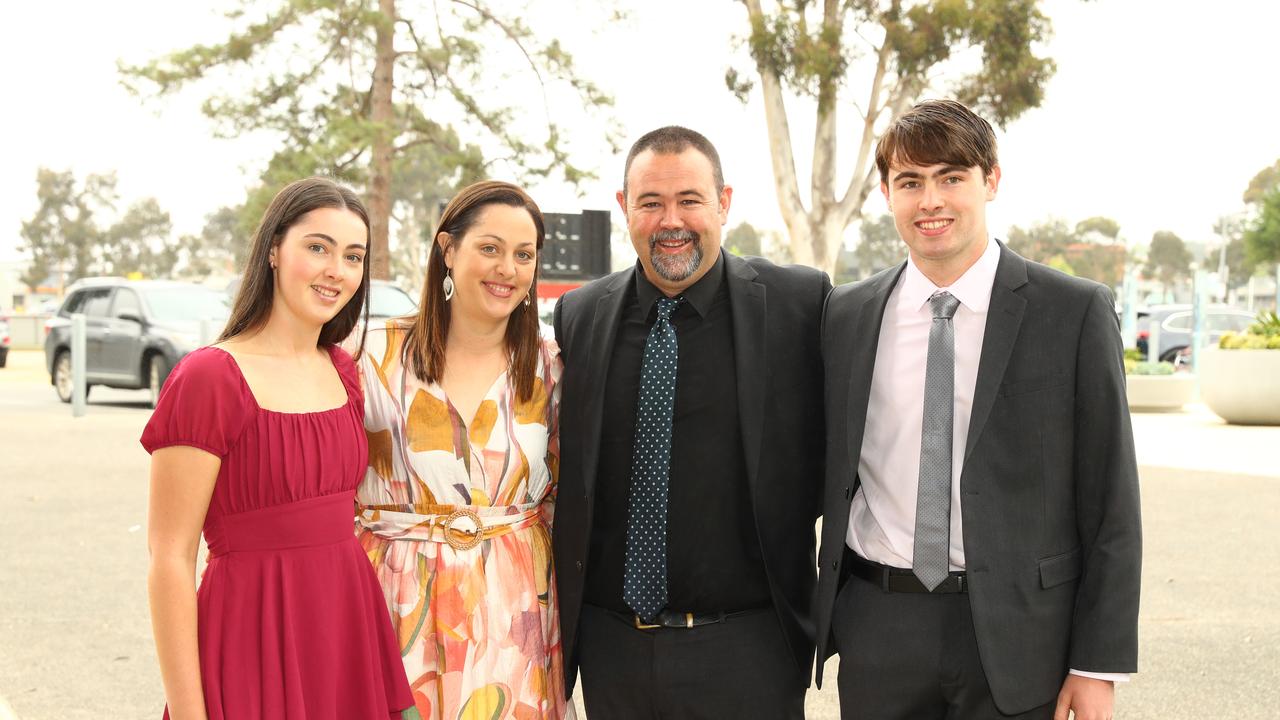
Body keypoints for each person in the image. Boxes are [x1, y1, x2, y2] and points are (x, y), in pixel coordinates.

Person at [813, 99, 1142, 719]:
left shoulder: (1071, 312)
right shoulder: (848, 314)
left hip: (1021, 635)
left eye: (951, 177)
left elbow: (1112, 499)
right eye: (910, 182)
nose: (930, 201)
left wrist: (1096, 663)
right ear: (887, 193)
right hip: (880, 623)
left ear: (991, 180)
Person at [552, 126, 831, 718]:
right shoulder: (579, 315)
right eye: (651, 203)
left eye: (690, 200)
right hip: (614, 650)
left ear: (723, 203)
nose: (670, 220)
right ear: (625, 208)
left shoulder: (799, 305)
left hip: (750, 650)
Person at [143, 177, 414, 719]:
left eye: (353, 256)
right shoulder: (210, 377)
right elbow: (169, 558)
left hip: (344, 631)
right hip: (249, 637)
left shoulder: (343, 370)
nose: (337, 270)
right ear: (273, 250)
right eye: (318, 247)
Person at [352, 181, 567, 719]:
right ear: (448, 250)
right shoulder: (370, 355)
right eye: (490, 248)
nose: (508, 269)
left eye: (524, 255)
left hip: (513, 611)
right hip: (392, 599)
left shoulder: (552, 365)